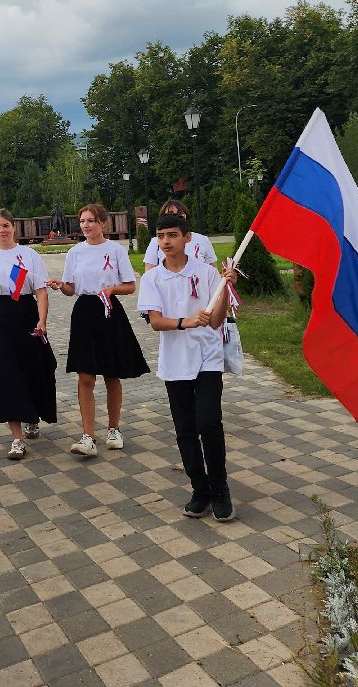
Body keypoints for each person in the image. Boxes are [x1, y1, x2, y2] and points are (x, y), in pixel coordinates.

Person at [137, 211, 236, 522]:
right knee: (185, 430)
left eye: (172, 236)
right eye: (161, 236)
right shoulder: (153, 278)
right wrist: (186, 322)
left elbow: (218, 319)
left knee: (208, 423)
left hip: (208, 357)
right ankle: (200, 489)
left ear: (186, 238)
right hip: (175, 362)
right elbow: (155, 322)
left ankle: (220, 490)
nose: (166, 242)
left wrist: (225, 288)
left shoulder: (205, 273)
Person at [55, 205, 149, 457]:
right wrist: (60, 285)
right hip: (84, 311)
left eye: (91, 221)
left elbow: (130, 286)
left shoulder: (116, 250)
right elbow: (70, 288)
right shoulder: (74, 252)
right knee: (85, 375)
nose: (85, 226)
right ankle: (87, 436)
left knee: (111, 373)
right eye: (82, 221)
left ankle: (113, 429)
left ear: (103, 224)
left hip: (109, 311)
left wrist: (111, 290)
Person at [0, 209, 57, 460]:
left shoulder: (29, 255)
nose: (2, 230)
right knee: (5, 374)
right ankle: (16, 438)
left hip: (26, 314)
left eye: (6, 225)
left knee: (34, 369)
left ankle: (33, 416)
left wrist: (42, 320)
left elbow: (40, 291)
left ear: (13, 227)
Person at [142, 199, 216, 272]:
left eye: (180, 213)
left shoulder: (202, 240)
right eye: (170, 213)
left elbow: (213, 270)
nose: (175, 215)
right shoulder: (155, 242)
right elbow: (149, 272)